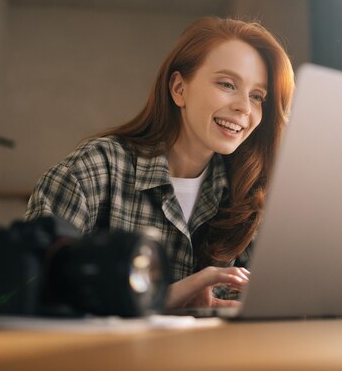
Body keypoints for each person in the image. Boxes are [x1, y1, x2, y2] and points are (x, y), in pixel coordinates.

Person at [25, 16, 295, 310]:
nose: (244, 107)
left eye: (258, 97)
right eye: (227, 84)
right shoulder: (94, 169)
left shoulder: (247, 196)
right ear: (179, 89)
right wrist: (162, 299)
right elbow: (27, 293)